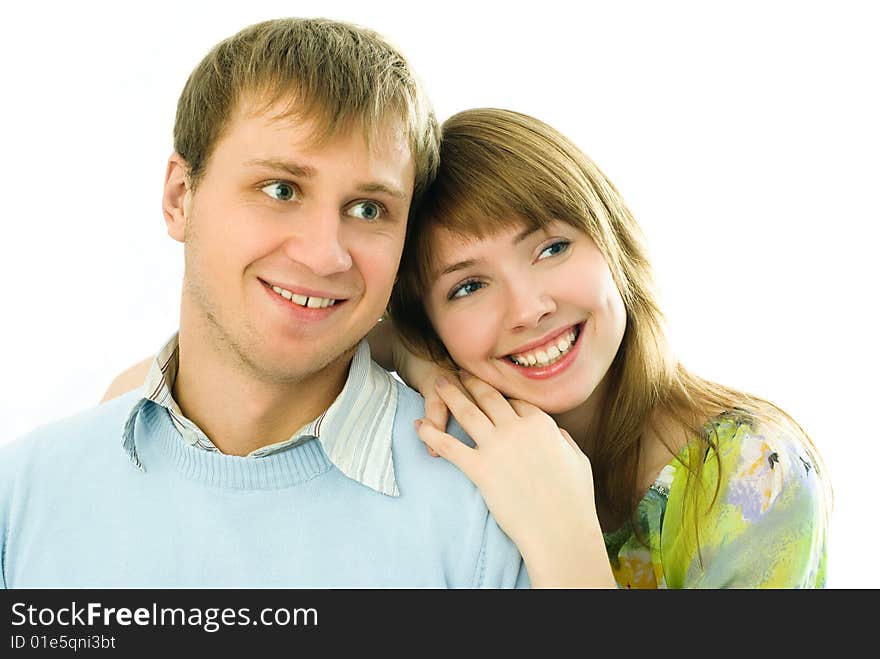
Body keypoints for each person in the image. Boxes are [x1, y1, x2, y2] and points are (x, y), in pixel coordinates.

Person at [101, 107, 832, 588]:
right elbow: (146, 395)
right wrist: (411, 357)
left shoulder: (752, 480)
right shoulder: (444, 433)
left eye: (551, 246)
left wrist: (563, 533)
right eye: (467, 287)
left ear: (613, 243)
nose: (530, 307)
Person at [0, 19, 532, 588]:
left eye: (369, 209)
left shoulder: (496, 510)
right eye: (281, 189)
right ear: (181, 197)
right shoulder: (22, 495)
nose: (325, 255)